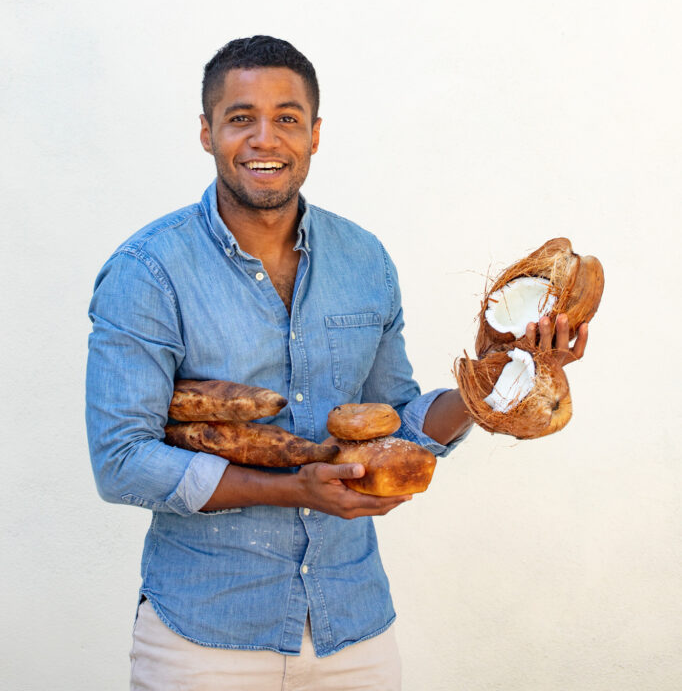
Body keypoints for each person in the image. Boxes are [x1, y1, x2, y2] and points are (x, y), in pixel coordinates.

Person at [86, 35, 587, 690]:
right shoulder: (148, 272)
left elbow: (398, 422)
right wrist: (293, 488)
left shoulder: (365, 261)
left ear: (315, 134)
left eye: (287, 118)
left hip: (353, 634)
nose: (266, 138)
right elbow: (122, 461)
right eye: (241, 118)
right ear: (207, 133)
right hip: (204, 640)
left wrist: (493, 380)